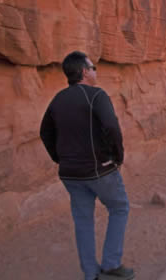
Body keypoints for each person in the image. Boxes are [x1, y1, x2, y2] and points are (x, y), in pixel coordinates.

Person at [40, 51, 135, 280]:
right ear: (84, 72)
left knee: (83, 220)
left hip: (70, 174)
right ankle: (111, 265)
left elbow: (45, 133)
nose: (95, 72)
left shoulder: (58, 99)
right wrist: (118, 156)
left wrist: (59, 158)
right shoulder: (96, 95)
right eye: (93, 68)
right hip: (99, 169)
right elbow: (112, 126)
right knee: (119, 208)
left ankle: (90, 274)